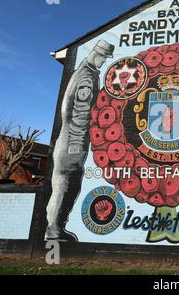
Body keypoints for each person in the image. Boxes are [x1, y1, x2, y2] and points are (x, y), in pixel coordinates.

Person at [45, 40, 114, 241]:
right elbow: (80, 114)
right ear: (96, 54)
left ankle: (55, 227)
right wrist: (77, 143)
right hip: (73, 141)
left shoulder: (84, 72)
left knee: (66, 183)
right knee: (67, 184)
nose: (103, 62)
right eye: (103, 58)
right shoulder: (86, 77)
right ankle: (53, 229)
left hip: (68, 140)